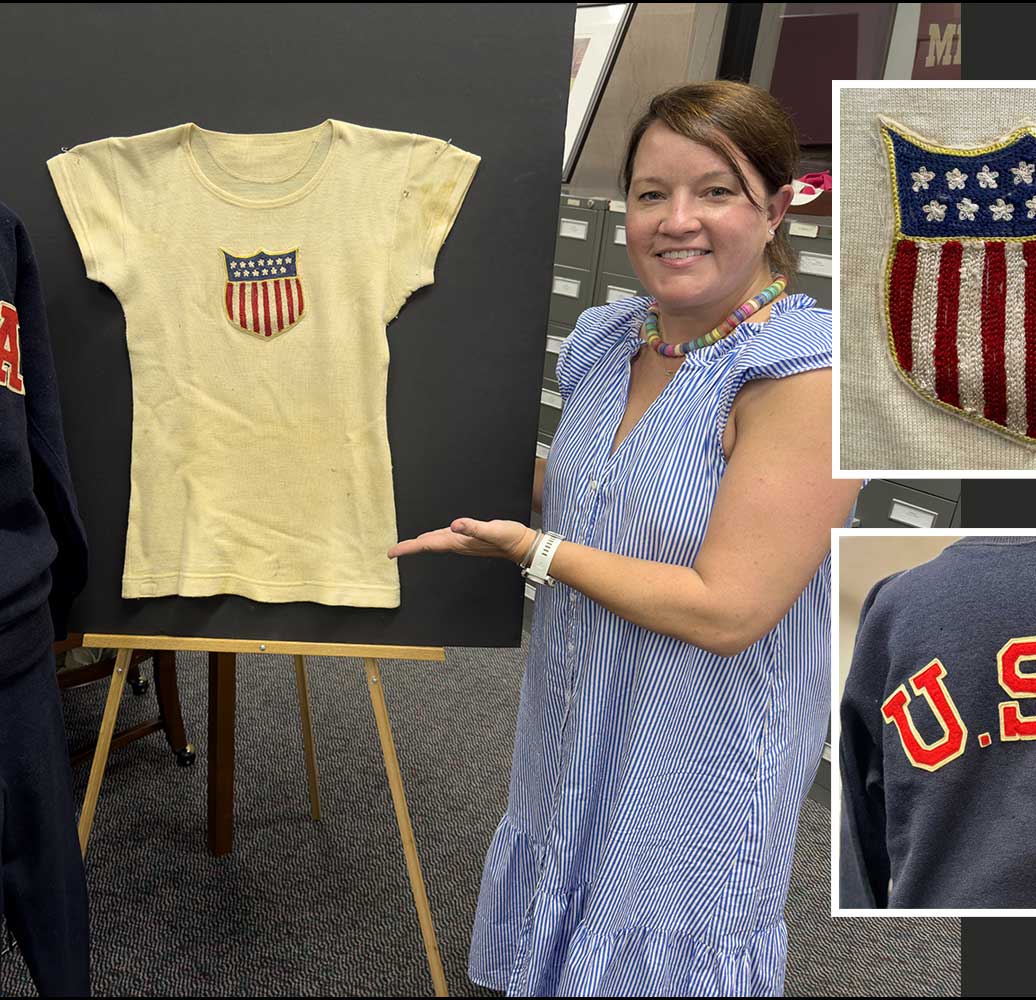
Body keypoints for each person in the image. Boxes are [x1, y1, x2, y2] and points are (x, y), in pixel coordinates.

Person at [390, 81, 860, 996]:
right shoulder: (612, 338)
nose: (676, 220)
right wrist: (424, 461)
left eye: (715, 190)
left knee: (654, 948)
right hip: (577, 707)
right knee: (559, 907)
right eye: (651, 193)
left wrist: (533, 551)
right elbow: (599, 492)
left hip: (699, 758)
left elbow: (730, 609)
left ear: (775, 206)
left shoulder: (809, 379)